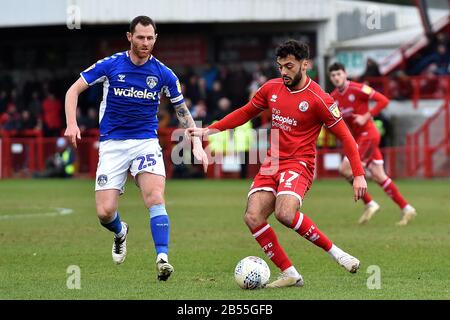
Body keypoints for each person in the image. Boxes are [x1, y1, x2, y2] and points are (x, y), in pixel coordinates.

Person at [187, 40, 367, 288]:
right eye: (280, 66)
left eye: (289, 66)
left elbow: (347, 137)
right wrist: (209, 130)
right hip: (272, 163)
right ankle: (290, 273)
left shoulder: (319, 99)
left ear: (305, 65)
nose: (283, 72)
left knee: (284, 213)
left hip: (300, 163)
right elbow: (245, 112)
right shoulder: (271, 88)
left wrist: (358, 174)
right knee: (252, 217)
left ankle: (337, 253)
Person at [64, 16, 208, 281]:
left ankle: (162, 258)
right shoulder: (111, 65)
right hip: (113, 144)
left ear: (155, 38)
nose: (145, 43)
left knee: (154, 197)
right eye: (140, 37)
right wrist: (72, 124)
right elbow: (73, 91)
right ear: (129, 36)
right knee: (104, 212)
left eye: (150, 38)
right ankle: (120, 231)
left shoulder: (163, 73)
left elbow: (182, 111)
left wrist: (196, 142)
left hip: (145, 142)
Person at [328, 62, 417, 226]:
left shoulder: (358, 88)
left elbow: (383, 100)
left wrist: (366, 116)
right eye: (333, 75)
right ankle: (407, 208)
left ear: (345, 74)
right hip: (359, 139)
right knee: (379, 175)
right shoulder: (333, 98)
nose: (336, 78)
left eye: (339, 74)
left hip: (368, 134)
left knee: (345, 168)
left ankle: (370, 203)